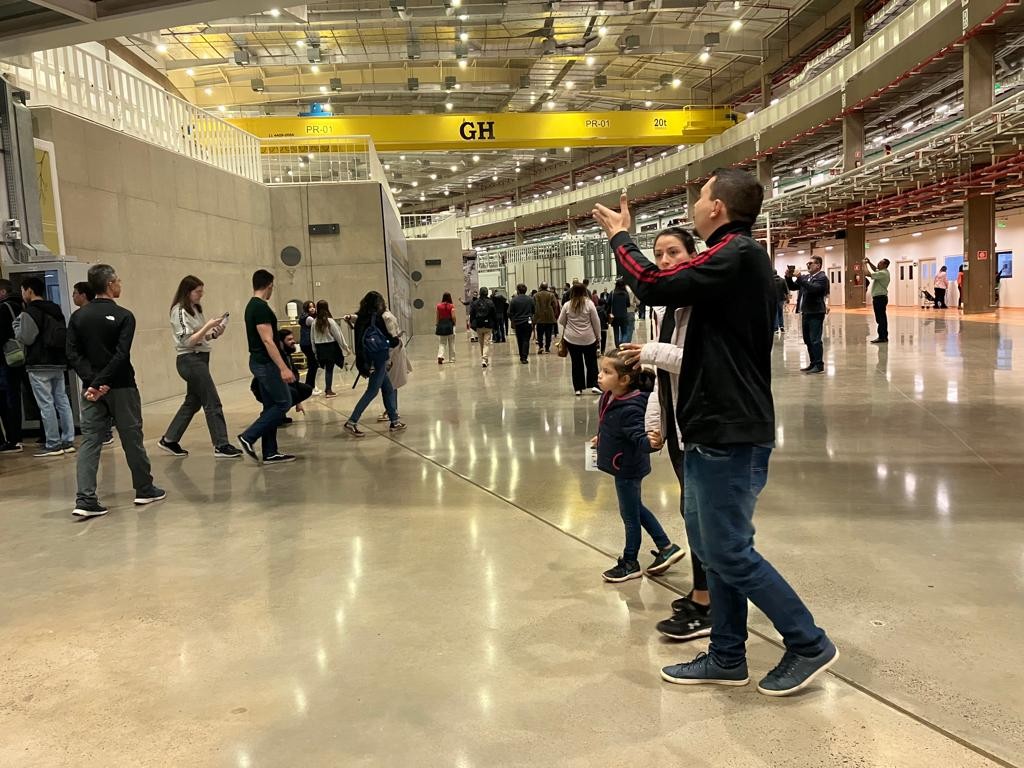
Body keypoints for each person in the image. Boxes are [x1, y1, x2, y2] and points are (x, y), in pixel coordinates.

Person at [594, 168, 837, 696]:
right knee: (711, 547)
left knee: (728, 550)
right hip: (707, 429)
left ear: (717, 208)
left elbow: (653, 285)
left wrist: (620, 237)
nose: (695, 205)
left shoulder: (737, 253)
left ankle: (808, 642)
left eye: (700, 197)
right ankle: (727, 655)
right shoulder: (728, 261)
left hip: (731, 429)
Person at [620, 226, 714, 643]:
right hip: (678, 426)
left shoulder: (705, 301)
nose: (664, 261)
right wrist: (654, 421)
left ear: (693, 254)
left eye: (673, 252)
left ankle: (710, 601)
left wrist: (649, 351)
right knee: (691, 512)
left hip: (702, 426)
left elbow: (698, 360)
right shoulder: (670, 308)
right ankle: (702, 593)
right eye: (658, 254)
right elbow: (664, 378)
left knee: (705, 518)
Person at [65, 264, 165, 518]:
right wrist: (103, 382)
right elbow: (121, 355)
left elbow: (73, 354)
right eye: (118, 280)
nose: (120, 284)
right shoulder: (124, 316)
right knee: (132, 438)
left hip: (91, 390)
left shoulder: (78, 317)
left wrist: (93, 382)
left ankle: (85, 498)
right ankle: (144, 488)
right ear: (110, 284)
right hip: (121, 386)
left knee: (90, 441)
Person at [592, 349, 685, 583]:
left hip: (628, 468)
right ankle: (666, 547)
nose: (600, 375)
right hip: (621, 464)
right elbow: (609, 423)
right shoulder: (610, 396)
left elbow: (640, 440)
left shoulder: (631, 408)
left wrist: (651, 442)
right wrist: (602, 437)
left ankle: (630, 561)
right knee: (635, 508)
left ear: (624, 379)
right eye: (601, 370)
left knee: (630, 516)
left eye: (607, 372)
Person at [158, 276, 241, 459]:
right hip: (190, 360)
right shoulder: (179, 311)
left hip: (201, 357)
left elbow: (201, 338)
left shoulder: (195, 309)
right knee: (212, 401)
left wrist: (214, 333)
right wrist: (207, 326)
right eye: (198, 292)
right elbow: (187, 341)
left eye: (202, 291)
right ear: (187, 292)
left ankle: (169, 439)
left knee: (193, 401)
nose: (201, 295)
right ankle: (221, 444)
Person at [237, 269, 296, 465]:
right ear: (269, 285)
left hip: (259, 362)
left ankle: (270, 452)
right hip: (266, 363)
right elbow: (268, 340)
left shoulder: (251, 306)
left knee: (271, 406)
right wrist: (283, 367)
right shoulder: (260, 308)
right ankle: (248, 437)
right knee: (284, 403)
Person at [13, 276, 75, 457]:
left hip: (38, 363)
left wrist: (16, 326)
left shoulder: (30, 312)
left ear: (29, 290)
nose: (22, 294)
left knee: (46, 404)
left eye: (23, 290)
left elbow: (26, 338)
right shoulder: (55, 309)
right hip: (57, 361)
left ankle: (53, 443)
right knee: (62, 401)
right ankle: (68, 440)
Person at [344, 291, 404, 437]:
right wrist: (396, 340)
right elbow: (388, 339)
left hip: (367, 358)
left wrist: (362, 361)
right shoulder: (376, 318)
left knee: (388, 388)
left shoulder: (360, 319)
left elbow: (359, 342)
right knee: (372, 391)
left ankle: (394, 420)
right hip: (378, 359)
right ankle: (352, 421)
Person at [71, 281, 114, 447]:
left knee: (97, 402)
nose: (73, 296)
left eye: (75, 293)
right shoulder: (83, 316)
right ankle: (104, 431)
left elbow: (74, 349)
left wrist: (88, 375)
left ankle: (104, 432)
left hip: (94, 371)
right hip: (97, 370)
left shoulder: (82, 317)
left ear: (83, 295)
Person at [251, 329, 313, 420]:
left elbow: (293, 380)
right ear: (281, 342)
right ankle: (269, 414)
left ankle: (278, 414)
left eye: (293, 339)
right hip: (264, 389)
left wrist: (298, 402)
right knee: (292, 392)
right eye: (289, 339)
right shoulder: (277, 357)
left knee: (305, 389)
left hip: (280, 385)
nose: (293, 342)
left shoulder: (287, 355)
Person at [786, 257, 829, 373]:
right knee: (808, 339)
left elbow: (814, 289)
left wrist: (800, 278)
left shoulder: (822, 278)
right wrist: (788, 277)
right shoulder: (806, 277)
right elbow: (792, 286)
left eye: (810, 263)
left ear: (818, 265)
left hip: (816, 312)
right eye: (807, 263)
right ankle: (813, 363)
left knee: (815, 339)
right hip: (806, 312)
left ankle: (819, 365)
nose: (808, 265)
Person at [558, 284, 601, 396]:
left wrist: (570, 324)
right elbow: (596, 322)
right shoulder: (589, 304)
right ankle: (595, 385)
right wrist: (598, 336)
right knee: (591, 362)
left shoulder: (567, 305)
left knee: (576, 363)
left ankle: (578, 388)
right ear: (585, 291)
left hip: (571, 339)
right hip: (588, 338)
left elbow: (561, 321)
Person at [0, 278, 25, 454]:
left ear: (3, 292)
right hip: (18, 357)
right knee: (15, 397)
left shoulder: (3, 308)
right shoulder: (21, 306)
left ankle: (13, 439)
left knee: (8, 399)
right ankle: (16, 437)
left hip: (5, 359)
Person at [310, 299, 351, 399]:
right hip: (330, 347)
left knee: (325, 368)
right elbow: (338, 335)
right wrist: (345, 347)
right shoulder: (330, 321)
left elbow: (312, 338)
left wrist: (315, 351)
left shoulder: (314, 322)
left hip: (320, 348)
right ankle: (328, 390)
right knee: (329, 369)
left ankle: (327, 389)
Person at [863, 257, 891, 344]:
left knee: (881, 319)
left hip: (880, 299)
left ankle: (882, 337)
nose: (878, 263)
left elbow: (867, 273)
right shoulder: (883, 272)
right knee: (881, 318)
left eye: (880, 263)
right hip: (880, 298)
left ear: (885, 265)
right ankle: (883, 336)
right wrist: (869, 262)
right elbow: (875, 269)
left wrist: (864, 264)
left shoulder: (883, 273)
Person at [470, 286, 497, 368]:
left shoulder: (475, 303)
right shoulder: (490, 302)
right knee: (486, 343)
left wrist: (472, 324)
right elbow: (494, 315)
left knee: (481, 343)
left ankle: (484, 359)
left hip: (478, 325)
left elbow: (472, 314)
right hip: (488, 325)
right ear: (487, 293)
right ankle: (484, 359)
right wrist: (495, 325)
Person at [508, 284, 535, 364]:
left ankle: (521, 356)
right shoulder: (530, 299)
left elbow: (509, 312)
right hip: (528, 321)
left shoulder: (514, 300)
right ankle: (524, 357)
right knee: (526, 339)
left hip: (518, 322)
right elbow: (534, 310)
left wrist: (513, 319)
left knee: (520, 340)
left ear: (518, 291)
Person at [298, 300, 321, 395]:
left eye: (313, 307)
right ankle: (310, 387)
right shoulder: (309, 319)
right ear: (306, 309)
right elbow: (318, 327)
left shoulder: (304, 317)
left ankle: (310, 385)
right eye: (310, 307)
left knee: (312, 365)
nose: (312, 309)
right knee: (313, 366)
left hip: (305, 344)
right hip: (308, 344)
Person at [533, 282, 558, 354]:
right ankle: (547, 348)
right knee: (548, 334)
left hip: (539, 316)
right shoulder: (551, 295)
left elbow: (533, 305)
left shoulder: (536, 295)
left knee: (540, 333)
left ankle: (541, 347)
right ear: (547, 287)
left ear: (540, 287)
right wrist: (554, 314)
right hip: (549, 316)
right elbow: (555, 305)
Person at [608, 279, 632, 347]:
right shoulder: (625, 293)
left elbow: (608, 303)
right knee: (624, 332)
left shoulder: (612, 293)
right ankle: (622, 345)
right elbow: (628, 305)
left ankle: (617, 347)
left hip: (615, 316)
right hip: (624, 315)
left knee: (616, 333)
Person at [436, 292, 457, 364]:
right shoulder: (451, 306)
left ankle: (440, 356)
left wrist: (437, 324)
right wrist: (454, 323)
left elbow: (437, 316)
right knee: (451, 343)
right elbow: (453, 317)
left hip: (441, 324)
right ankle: (452, 359)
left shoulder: (438, 306)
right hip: (450, 325)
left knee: (442, 342)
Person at [592, 290, 610, 354]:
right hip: (603, 328)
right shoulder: (604, 311)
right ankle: (602, 351)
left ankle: (597, 349)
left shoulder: (594, 309)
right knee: (603, 340)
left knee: (596, 340)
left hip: (595, 328)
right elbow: (606, 319)